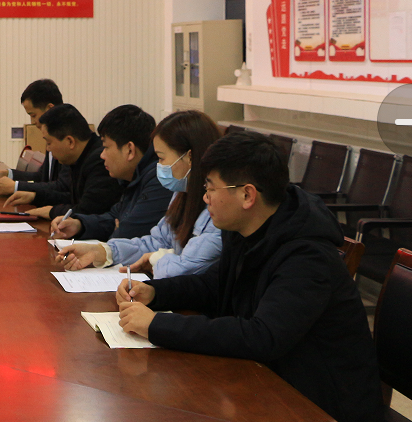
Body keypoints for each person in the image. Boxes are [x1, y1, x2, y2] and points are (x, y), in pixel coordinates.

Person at [116, 131, 384, 422]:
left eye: (211, 187)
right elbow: (214, 285)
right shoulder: (247, 228)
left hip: (320, 404)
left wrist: (157, 325)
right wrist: (156, 292)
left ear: (247, 195)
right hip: (267, 381)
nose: (205, 197)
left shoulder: (307, 255)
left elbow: (263, 336)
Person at [56, 109, 222, 278]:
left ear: (190, 157)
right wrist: (104, 252)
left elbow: (188, 267)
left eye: (161, 158)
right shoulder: (180, 194)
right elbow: (156, 242)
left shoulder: (218, 208)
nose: (159, 165)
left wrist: (157, 258)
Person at [51, 104, 170, 242]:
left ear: (129, 150)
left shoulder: (159, 181)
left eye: (106, 147)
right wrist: (79, 225)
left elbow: (127, 235)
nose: (102, 155)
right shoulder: (133, 177)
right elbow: (113, 217)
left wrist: (117, 231)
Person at [3, 103, 121, 220]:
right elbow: (70, 196)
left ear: (70, 142)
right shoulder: (78, 157)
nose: (48, 149)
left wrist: (52, 211)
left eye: (49, 143)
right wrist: (35, 197)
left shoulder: (99, 161)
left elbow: (88, 210)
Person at [0, 79, 70, 196]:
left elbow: (61, 187)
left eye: (33, 115)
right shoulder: (51, 136)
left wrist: (16, 187)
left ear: (50, 109)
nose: (32, 122)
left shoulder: (67, 139)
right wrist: (8, 174)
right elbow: (41, 177)